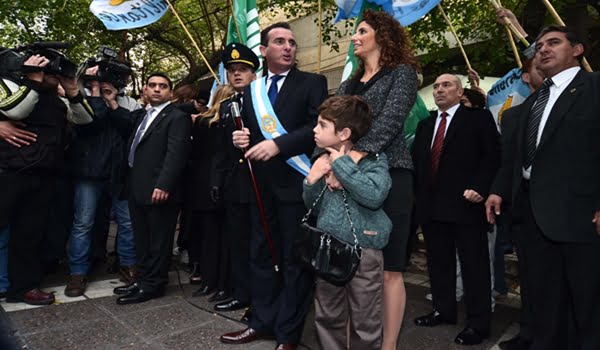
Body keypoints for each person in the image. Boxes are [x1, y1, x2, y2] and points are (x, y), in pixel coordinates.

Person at [485, 26, 600, 350]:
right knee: (544, 302)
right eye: (539, 46)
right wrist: (498, 191)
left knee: (587, 303)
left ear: (577, 49)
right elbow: (512, 160)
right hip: (531, 217)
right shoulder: (532, 104)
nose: (543, 50)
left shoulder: (594, 87)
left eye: (553, 43)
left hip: (580, 218)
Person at [220, 22, 327, 350]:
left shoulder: (313, 82)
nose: (288, 47)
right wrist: (241, 138)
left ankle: (288, 334)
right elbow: (252, 132)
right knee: (261, 255)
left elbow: (317, 128)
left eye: (292, 42)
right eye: (279, 42)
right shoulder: (252, 90)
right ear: (264, 50)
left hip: (296, 183)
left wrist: (280, 145)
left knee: (294, 261)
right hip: (258, 184)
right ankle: (262, 321)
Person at [322, 10, 418, 349]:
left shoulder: (402, 74)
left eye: (361, 31)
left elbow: (391, 120)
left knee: (390, 268)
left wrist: (352, 157)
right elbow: (332, 126)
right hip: (350, 177)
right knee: (355, 266)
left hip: (392, 174)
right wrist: (331, 162)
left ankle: (388, 345)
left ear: (382, 35)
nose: (354, 37)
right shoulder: (349, 83)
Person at [412, 74, 500, 346]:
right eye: (436, 86)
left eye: (446, 85)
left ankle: (478, 324)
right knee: (439, 263)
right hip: (432, 207)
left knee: (475, 267)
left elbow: (494, 156)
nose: (439, 90)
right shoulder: (426, 124)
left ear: (460, 91)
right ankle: (443, 310)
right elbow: (419, 164)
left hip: (466, 205)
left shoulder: (478, 119)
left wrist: (481, 187)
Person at [0, 53, 95, 306]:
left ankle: (23, 287)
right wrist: (33, 80)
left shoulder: (55, 99)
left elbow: (85, 119)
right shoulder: (9, 84)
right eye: (51, 70)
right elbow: (16, 111)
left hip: (42, 173)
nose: (55, 74)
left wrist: (73, 90)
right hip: (8, 172)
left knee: (28, 235)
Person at [305, 95, 392, 349]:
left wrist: (342, 165)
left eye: (322, 125)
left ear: (343, 133)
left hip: (364, 249)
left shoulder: (374, 160)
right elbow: (315, 206)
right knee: (327, 314)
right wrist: (311, 180)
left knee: (366, 319)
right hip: (329, 247)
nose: (315, 129)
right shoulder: (322, 159)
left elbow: (374, 196)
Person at [111, 73, 191, 305]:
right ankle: (142, 279)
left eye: (163, 86)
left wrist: (164, 184)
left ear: (171, 92)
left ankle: (153, 285)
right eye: (152, 85)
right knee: (142, 238)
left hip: (159, 189)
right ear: (145, 89)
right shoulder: (143, 115)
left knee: (159, 240)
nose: (157, 89)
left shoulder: (177, 117)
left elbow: (176, 154)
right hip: (137, 187)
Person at [64, 65, 141, 297]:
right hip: (89, 172)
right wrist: (96, 94)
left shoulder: (129, 104)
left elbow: (132, 128)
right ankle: (77, 273)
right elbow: (89, 123)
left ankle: (128, 266)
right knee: (83, 223)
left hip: (119, 173)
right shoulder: (80, 100)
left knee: (127, 223)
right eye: (96, 80)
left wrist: (113, 102)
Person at [213, 43, 259, 317]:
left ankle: (259, 297)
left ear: (254, 73)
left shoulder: (264, 100)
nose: (237, 74)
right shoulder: (228, 105)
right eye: (232, 71)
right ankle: (241, 294)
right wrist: (217, 181)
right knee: (238, 243)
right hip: (235, 183)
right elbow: (221, 148)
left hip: (259, 183)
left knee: (258, 245)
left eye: (243, 69)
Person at [187, 84, 235, 301]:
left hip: (203, 185)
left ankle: (208, 281)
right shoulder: (217, 123)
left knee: (208, 238)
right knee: (225, 238)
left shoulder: (202, 122)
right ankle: (222, 284)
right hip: (222, 184)